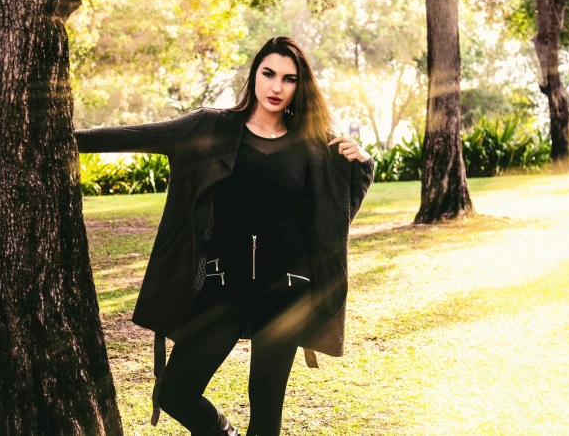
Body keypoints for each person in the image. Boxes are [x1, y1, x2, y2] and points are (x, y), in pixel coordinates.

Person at [74, 36, 375, 436]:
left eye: (288, 79)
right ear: (254, 76)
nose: (276, 87)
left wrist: (364, 164)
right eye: (268, 74)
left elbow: (335, 218)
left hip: (286, 288)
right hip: (221, 283)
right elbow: (137, 134)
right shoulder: (211, 126)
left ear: (299, 86)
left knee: (266, 411)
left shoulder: (315, 144)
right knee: (176, 392)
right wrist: (68, 140)